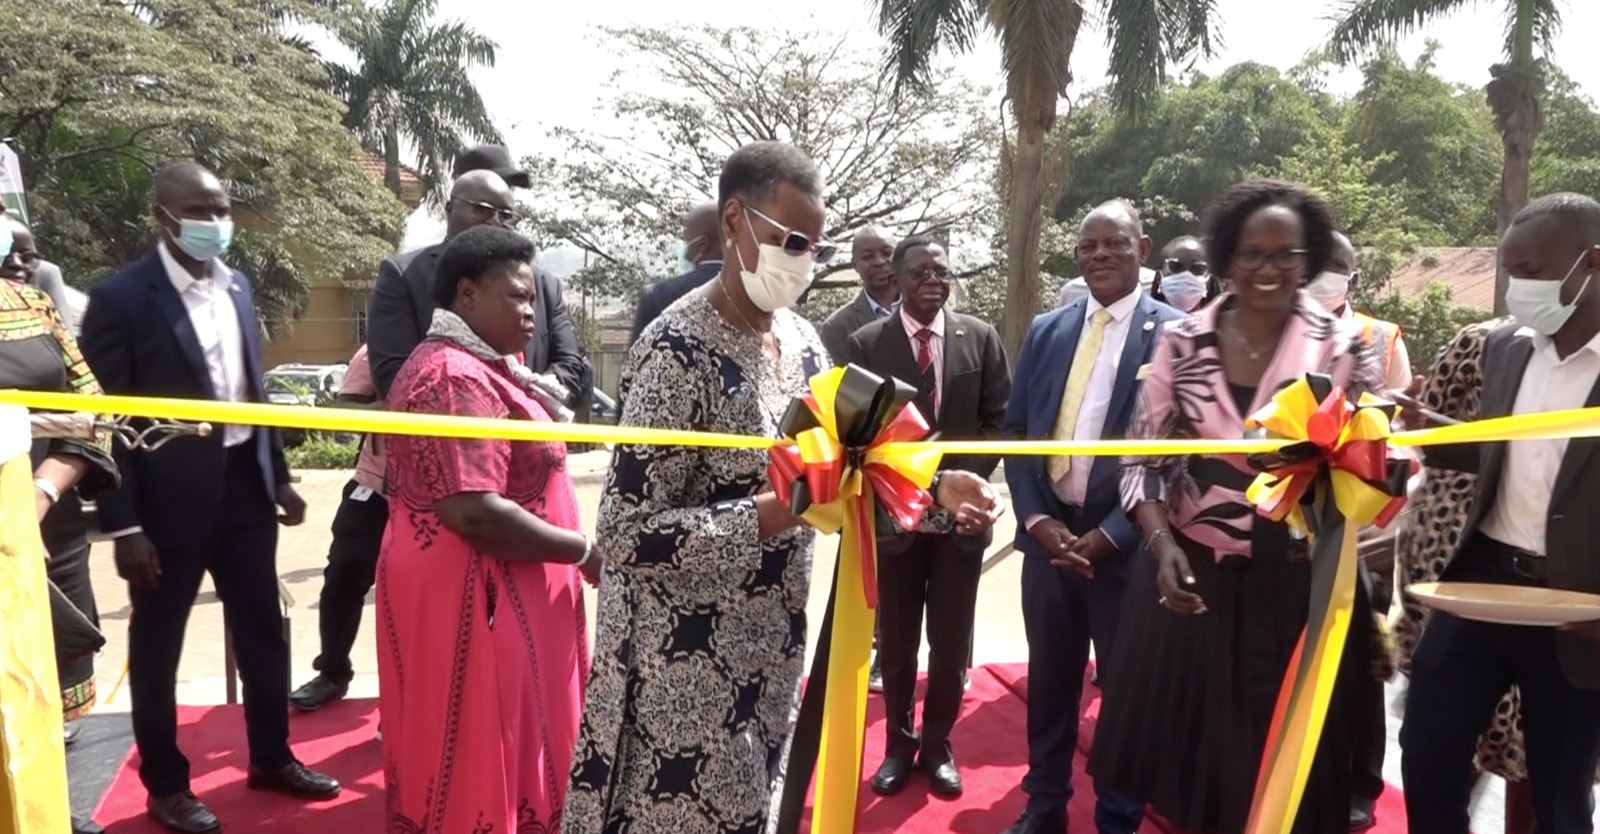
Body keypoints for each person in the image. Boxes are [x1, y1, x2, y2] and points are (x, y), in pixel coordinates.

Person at [562, 140, 1003, 833]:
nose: (802, 261)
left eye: (815, 249)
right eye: (791, 241)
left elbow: (861, 464)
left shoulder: (803, 344)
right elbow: (624, 534)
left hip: (771, 654)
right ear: (734, 221)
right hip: (682, 673)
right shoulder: (675, 351)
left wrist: (942, 492)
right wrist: (784, 508)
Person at [1088, 180, 1385, 834]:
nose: (1267, 269)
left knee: (1287, 772)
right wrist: (1163, 546)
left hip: (1300, 589)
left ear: (1307, 259)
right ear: (1227, 256)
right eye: (1251, 253)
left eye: (1285, 254)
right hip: (1194, 584)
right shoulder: (1183, 342)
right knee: (1201, 776)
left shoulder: (1342, 348)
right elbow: (1138, 461)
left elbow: (1376, 461)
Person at [78, 161, 337, 834]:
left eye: (221, 209)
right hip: (162, 508)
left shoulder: (238, 287)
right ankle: (166, 785)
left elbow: (253, 393)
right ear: (163, 216)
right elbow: (101, 422)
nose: (215, 223)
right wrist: (122, 523)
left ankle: (272, 758)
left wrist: (276, 474)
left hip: (245, 491)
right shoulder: (122, 300)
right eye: (199, 211)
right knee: (159, 649)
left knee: (262, 635)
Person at [378, 224, 596, 831]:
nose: (531, 312)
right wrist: (582, 551)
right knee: (481, 743)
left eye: (533, 298)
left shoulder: (488, 366)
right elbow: (473, 511)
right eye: (516, 297)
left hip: (489, 586)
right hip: (478, 597)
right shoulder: (455, 378)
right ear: (467, 295)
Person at [1398, 192, 1600, 834]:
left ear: (1592, 263)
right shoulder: (1508, 347)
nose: (1517, 289)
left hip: (1579, 608)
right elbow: (1498, 457)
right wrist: (1425, 432)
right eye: (1510, 271)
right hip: (1482, 582)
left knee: (1560, 792)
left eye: (1533, 272)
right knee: (1426, 752)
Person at [1000, 201, 1182, 834]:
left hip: (1128, 552)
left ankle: (1118, 816)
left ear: (1144, 247)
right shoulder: (1048, 330)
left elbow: (1179, 460)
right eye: (1088, 245)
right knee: (1049, 685)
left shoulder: (1177, 336)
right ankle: (1045, 805)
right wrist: (1033, 518)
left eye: (1115, 243)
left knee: (1127, 699)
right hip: (1048, 544)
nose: (1100, 254)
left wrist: (1111, 536)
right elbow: (1018, 433)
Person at [847, 235, 1010, 799]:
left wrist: (967, 485)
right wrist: (919, 487)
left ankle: (938, 745)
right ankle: (898, 744)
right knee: (896, 642)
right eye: (920, 272)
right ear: (896, 278)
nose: (933, 282)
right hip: (894, 519)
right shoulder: (866, 343)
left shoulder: (980, 338)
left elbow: (1000, 420)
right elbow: (859, 433)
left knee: (949, 637)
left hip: (962, 521)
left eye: (941, 272)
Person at [0, 213, 119, 834]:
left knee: (44, 680)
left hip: (49, 526)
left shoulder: (34, 304)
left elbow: (89, 408)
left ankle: (45, 810)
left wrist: (38, 497)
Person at [368, 167, 585, 405]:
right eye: (481, 209)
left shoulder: (545, 285)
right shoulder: (404, 275)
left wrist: (527, 401)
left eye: (505, 215)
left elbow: (570, 365)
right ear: (450, 210)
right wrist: (484, 404)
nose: (494, 221)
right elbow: (393, 376)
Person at [286, 344, 389, 712]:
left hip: (446, 495)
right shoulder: (378, 345)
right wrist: (380, 411)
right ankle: (332, 672)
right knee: (346, 568)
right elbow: (343, 410)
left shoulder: (469, 332)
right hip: (377, 485)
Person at [1307, 232, 1413, 391]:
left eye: (1334, 265)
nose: (1322, 274)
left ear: (1353, 282)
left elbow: (1400, 412)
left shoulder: (1383, 339)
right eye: (1314, 264)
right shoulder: (1275, 336)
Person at [630, 202, 724, 345]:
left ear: (703, 244)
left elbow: (635, 362)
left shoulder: (657, 296)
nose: (685, 252)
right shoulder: (758, 296)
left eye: (687, 242)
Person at [819, 225, 899, 363]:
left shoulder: (925, 311)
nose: (879, 262)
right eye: (867, 257)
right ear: (854, 265)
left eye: (887, 253)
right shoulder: (837, 327)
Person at [1149, 234, 1218, 313]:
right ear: (1159, 277)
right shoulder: (1139, 322)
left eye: (1198, 268)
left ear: (1210, 279)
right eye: (1176, 267)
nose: (1186, 275)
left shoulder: (1223, 324)